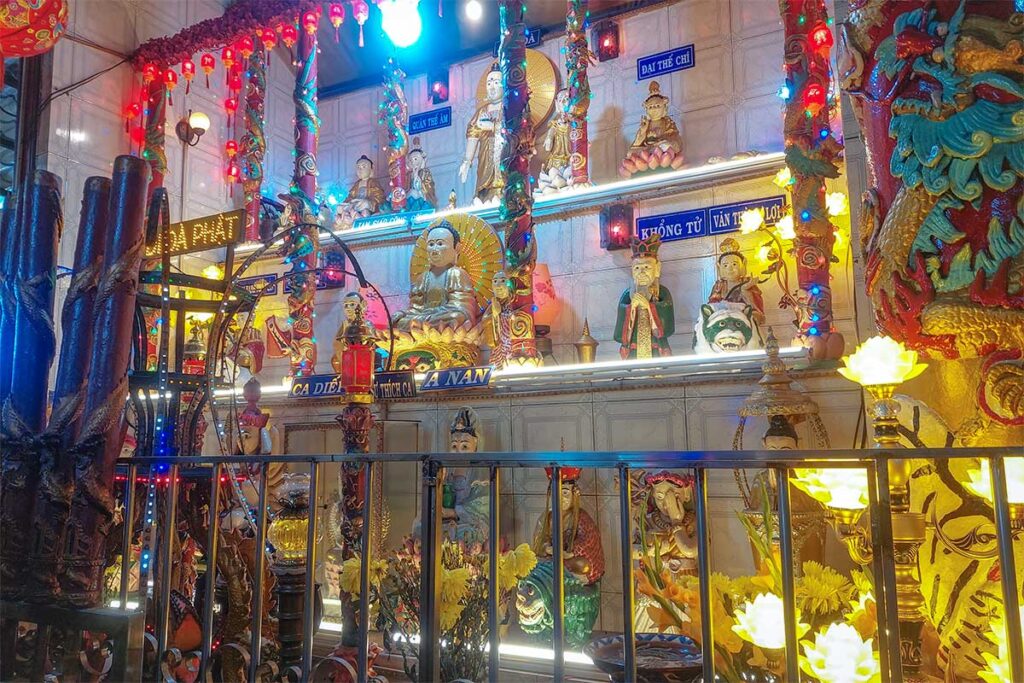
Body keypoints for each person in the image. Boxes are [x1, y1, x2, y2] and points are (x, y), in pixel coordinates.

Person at [391, 221, 478, 332]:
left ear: (457, 248)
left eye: (440, 244)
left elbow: (461, 308)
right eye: (431, 244)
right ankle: (422, 327)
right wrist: (403, 313)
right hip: (429, 319)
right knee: (398, 321)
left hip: (445, 318)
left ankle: (421, 327)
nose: (434, 249)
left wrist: (428, 315)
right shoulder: (423, 278)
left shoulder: (456, 273)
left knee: (456, 317)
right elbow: (415, 308)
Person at [614, 234, 675, 358]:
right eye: (637, 268)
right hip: (634, 349)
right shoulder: (628, 295)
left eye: (646, 267)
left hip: (655, 348)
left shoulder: (662, 293)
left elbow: (667, 326)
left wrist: (649, 306)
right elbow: (621, 327)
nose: (641, 272)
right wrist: (631, 308)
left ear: (657, 269)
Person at [459, 64, 505, 202]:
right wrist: (467, 161)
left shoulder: (509, 107)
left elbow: (515, 128)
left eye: (496, 83)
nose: (492, 87)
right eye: (489, 83)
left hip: (503, 153)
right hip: (485, 156)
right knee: (484, 190)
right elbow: (473, 133)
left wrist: (493, 126)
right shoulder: (482, 111)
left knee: (504, 181)